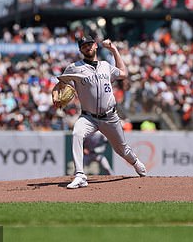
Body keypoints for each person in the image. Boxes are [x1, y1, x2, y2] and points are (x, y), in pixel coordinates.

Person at [53, 35, 146, 189]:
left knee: (121, 150)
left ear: (95, 46)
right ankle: (80, 175)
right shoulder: (73, 68)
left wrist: (114, 49)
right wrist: (58, 96)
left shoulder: (105, 66)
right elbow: (61, 85)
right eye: (83, 46)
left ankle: (135, 162)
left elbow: (123, 73)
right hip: (88, 117)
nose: (87, 47)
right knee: (77, 133)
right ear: (80, 49)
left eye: (89, 44)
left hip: (110, 117)